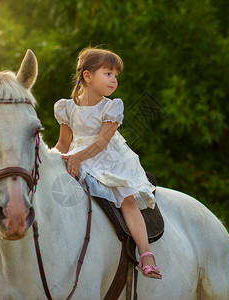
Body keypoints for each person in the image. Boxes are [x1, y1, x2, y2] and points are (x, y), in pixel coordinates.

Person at [54, 47, 162, 279]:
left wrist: (78, 157)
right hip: (76, 156)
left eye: (116, 76)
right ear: (87, 76)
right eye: (108, 73)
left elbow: (103, 141)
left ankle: (146, 255)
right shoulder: (66, 107)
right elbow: (64, 143)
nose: (114, 80)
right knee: (41, 186)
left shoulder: (111, 106)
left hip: (106, 160)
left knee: (126, 199)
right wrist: (50, 160)